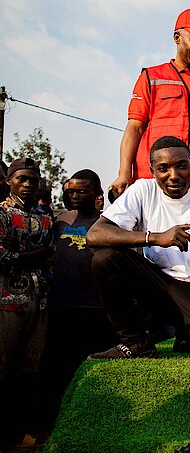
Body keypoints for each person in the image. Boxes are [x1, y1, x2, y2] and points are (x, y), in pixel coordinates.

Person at [87, 136, 190, 359]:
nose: (173, 175)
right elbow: (95, 234)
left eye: (181, 166)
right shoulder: (143, 190)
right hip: (160, 283)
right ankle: (135, 343)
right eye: (163, 168)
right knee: (105, 258)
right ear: (152, 170)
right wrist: (154, 238)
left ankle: (188, 335)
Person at [110, 8, 190, 198]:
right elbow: (135, 127)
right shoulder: (152, 77)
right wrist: (124, 174)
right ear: (177, 37)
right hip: (155, 183)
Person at [44, 169, 114, 424]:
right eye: (71, 191)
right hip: (62, 306)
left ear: (97, 194)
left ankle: (92, 421)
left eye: (82, 191)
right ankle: (53, 423)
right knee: (59, 369)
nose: (75, 196)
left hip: (97, 309)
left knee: (93, 369)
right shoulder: (60, 222)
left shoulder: (108, 225)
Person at [0, 158, 54, 445]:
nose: (28, 184)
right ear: (9, 180)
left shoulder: (45, 218)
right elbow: (3, 259)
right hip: (7, 302)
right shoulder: (2, 214)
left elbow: (51, 255)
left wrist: (22, 255)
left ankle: (19, 431)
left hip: (40, 300)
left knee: (29, 369)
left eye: (33, 179)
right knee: (3, 369)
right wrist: (38, 253)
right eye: (21, 178)